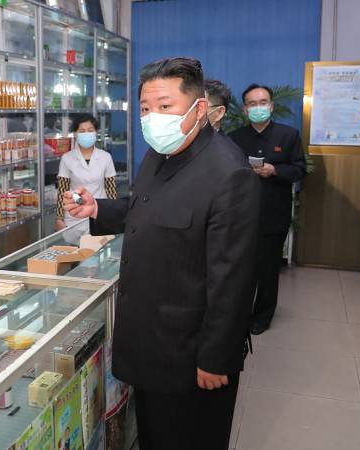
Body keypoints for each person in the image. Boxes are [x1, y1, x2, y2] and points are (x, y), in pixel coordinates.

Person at [64, 57, 260, 450]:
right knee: (154, 435)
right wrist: (99, 209)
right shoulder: (160, 152)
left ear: (198, 108)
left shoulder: (229, 173)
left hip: (191, 351)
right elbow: (147, 206)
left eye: (166, 107)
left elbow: (233, 279)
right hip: (149, 340)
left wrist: (216, 358)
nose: (153, 117)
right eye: (146, 108)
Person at [229, 83, 307, 335]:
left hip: (273, 214)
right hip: (241, 215)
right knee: (241, 268)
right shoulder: (235, 138)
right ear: (245, 109)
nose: (258, 107)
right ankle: (239, 313)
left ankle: (263, 315)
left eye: (263, 102)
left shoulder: (288, 135)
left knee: (268, 269)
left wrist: (275, 170)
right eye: (253, 104)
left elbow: (299, 169)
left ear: (271, 106)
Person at [55, 114, 118, 238]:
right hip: (74, 214)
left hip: (99, 213)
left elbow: (111, 189)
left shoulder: (105, 157)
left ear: (96, 132)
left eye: (90, 130)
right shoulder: (67, 158)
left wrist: (113, 214)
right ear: (76, 133)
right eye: (82, 131)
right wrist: (59, 218)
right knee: (74, 255)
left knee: (100, 252)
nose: (86, 134)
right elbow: (62, 189)